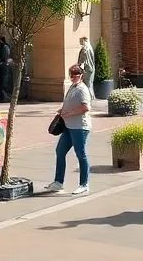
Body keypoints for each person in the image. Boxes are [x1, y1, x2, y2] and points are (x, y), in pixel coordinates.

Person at [44, 64, 91, 195]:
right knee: (60, 151)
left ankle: (84, 183)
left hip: (79, 127)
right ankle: (58, 182)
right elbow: (69, 103)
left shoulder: (82, 89)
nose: (72, 77)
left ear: (80, 75)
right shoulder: (73, 87)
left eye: (74, 74)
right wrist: (62, 110)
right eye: (70, 74)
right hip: (69, 126)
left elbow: (85, 107)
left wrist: (69, 113)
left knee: (80, 154)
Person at [0, 36, 12, 102]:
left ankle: (2, 97)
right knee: (1, 83)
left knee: (1, 83)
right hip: (3, 67)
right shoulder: (4, 46)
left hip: (2, 67)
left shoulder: (3, 47)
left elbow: (3, 57)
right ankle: (1, 97)